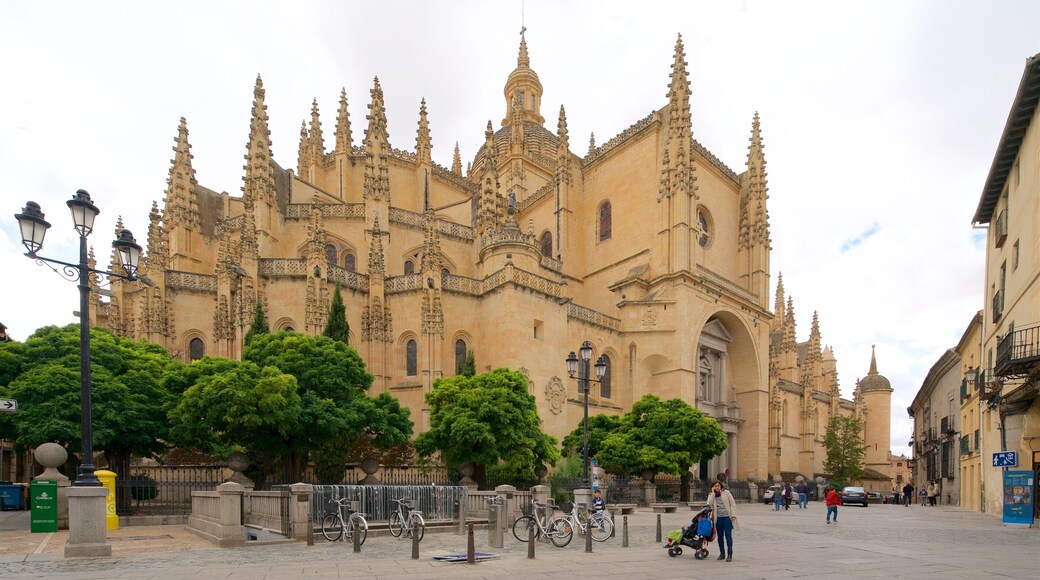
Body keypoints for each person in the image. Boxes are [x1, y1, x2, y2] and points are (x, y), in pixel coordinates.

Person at [709, 481, 739, 562]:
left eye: (718, 486)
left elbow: (733, 504)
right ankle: (722, 553)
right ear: (713, 487)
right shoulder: (712, 495)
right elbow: (708, 503)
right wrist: (713, 493)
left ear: (721, 486)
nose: (717, 487)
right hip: (718, 518)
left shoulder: (726, 493)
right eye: (715, 486)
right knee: (720, 536)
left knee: (728, 535)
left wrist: (733, 514)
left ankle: (730, 553)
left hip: (727, 517)